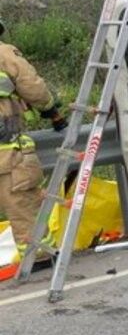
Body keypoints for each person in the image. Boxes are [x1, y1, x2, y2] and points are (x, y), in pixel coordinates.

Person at [0, 17, 65, 259]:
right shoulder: (4, 53)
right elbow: (32, 87)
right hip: (7, 154)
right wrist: (50, 110)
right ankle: (39, 256)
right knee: (22, 206)